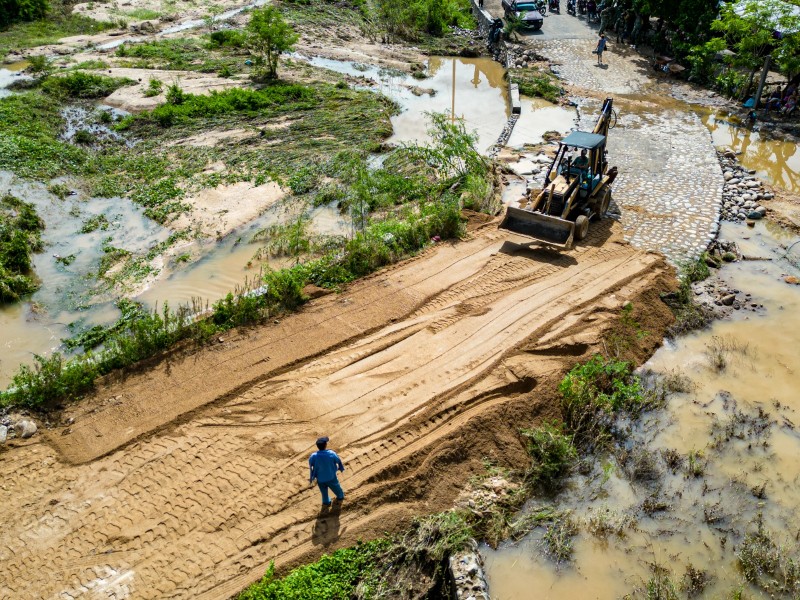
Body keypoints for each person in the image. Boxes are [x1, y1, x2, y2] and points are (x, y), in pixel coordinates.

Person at [309, 436, 345, 507]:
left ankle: (326, 502)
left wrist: (312, 476)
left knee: (324, 492)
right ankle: (340, 497)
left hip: (320, 479)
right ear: (325, 445)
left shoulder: (313, 456)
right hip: (331, 477)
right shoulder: (331, 453)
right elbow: (338, 460)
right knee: (337, 488)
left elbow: (310, 466)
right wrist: (340, 467)